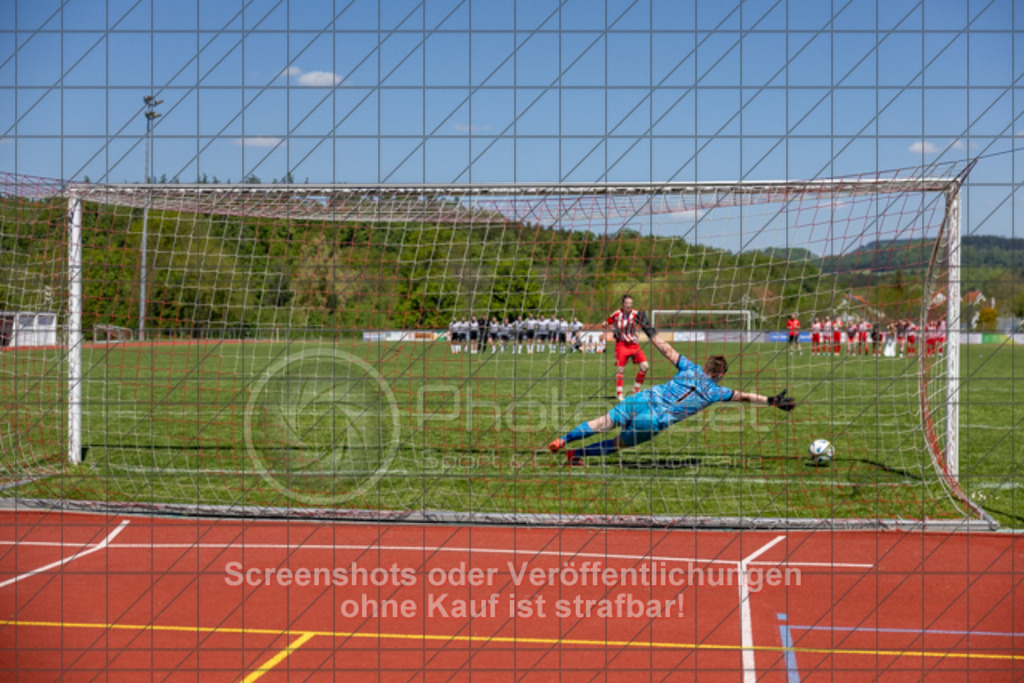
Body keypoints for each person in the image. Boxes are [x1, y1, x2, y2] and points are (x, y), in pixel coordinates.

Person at [548, 322, 796, 465]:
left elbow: (667, 350)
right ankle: (576, 454)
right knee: (616, 444)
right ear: (719, 375)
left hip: (643, 398)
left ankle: (564, 440)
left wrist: (649, 330)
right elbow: (743, 396)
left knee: (601, 423)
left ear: (706, 366)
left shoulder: (690, 366)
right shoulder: (716, 392)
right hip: (656, 419)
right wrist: (772, 401)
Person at [606, 294, 650, 401]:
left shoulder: (636, 314)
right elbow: (607, 322)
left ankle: (636, 390)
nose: (629, 306)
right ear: (623, 304)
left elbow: (645, 323)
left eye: (631, 303)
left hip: (634, 344)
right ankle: (619, 394)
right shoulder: (617, 313)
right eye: (627, 303)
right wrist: (609, 326)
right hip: (621, 344)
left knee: (645, 366)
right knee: (620, 369)